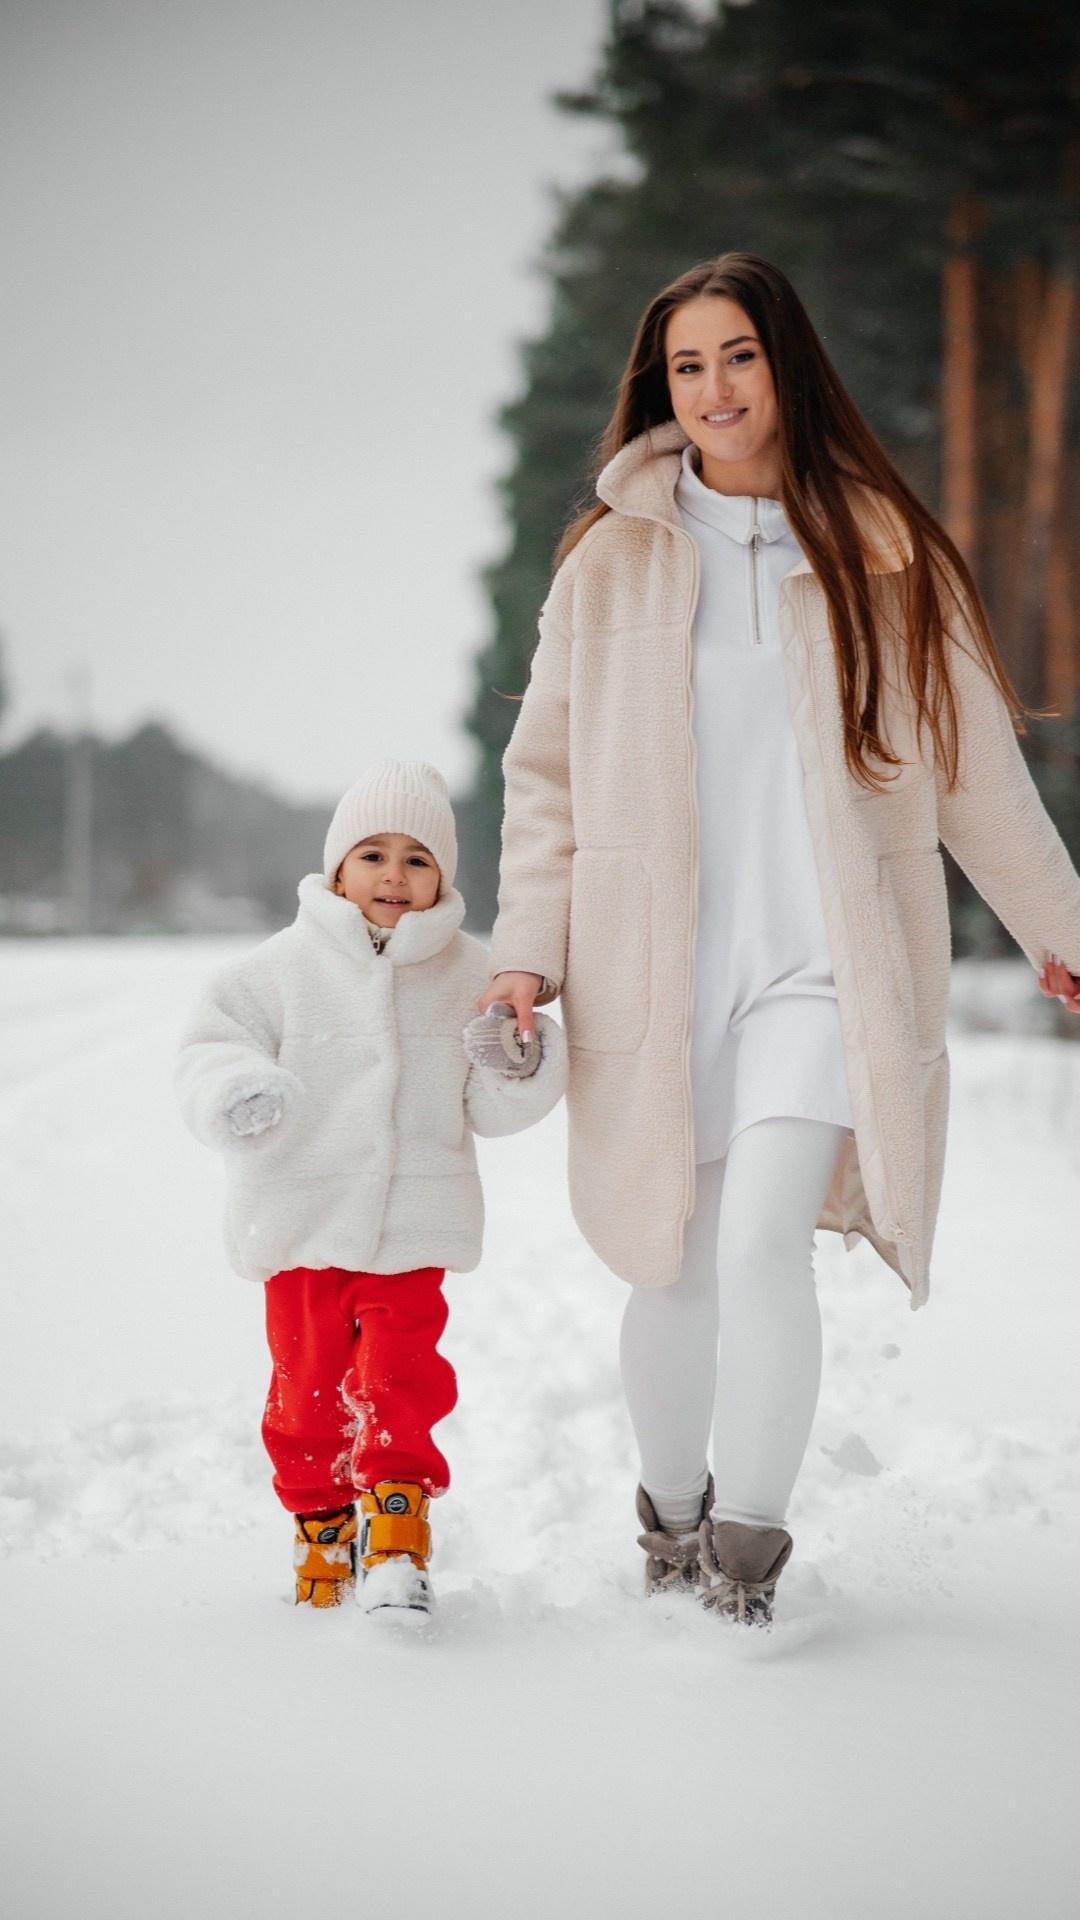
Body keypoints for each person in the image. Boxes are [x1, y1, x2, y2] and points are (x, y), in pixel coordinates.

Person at [479, 251, 1080, 1626]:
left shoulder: (885, 556)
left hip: (827, 969)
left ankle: (748, 1551)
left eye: (737, 355)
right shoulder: (611, 564)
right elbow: (546, 778)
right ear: (661, 383)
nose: (712, 388)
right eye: (687, 365)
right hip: (659, 972)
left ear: (787, 364)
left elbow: (978, 773)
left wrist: (1062, 930)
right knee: (674, 1263)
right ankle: (671, 1517)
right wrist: (527, 949)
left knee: (761, 1246)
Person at [177, 760, 567, 1621]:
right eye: (373, 854)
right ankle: (322, 1526)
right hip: (301, 1225)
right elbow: (209, 1045)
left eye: (419, 858)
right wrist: (237, 1089)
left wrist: (519, 1063)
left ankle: (397, 1535)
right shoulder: (277, 970)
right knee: (306, 1394)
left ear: (444, 876)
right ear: (337, 868)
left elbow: (492, 1107)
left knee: (401, 1384)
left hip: (412, 1229)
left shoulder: (473, 971)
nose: (395, 875)